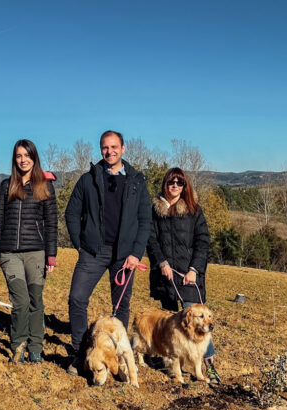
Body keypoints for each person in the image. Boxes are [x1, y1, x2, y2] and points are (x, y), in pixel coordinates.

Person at [64, 130, 151, 375]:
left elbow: (145, 220)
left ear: (123, 148)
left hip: (125, 254)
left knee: (121, 306)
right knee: (77, 299)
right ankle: (80, 354)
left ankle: (119, 357)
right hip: (93, 251)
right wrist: (79, 244)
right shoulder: (88, 179)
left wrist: (136, 253)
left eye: (114, 147)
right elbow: (72, 213)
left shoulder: (136, 182)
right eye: (105, 147)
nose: (109, 151)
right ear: (101, 149)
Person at [145, 167, 220, 383]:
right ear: (165, 185)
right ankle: (172, 361)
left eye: (179, 183)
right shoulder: (155, 211)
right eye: (171, 182)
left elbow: (203, 241)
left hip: (189, 275)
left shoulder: (194, 210)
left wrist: (194, 269)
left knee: (199, 321)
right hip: (165, 274)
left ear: (184, 186)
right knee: (170, 322)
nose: (175, 186)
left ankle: (209, 365)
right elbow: (151, 240)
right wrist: (162, 263)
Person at [0, 139, 58, 364]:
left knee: (36, 300)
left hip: (36, 252)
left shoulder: (45, 186)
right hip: (10, 253)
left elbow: (51, 223)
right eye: (19, 156)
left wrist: (51, 255)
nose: (23, 160)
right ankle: (18, 345)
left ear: (34, 158)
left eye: (27, 155)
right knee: (20, 301)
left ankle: (35, 347)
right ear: (14, 159)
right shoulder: (6, 185)